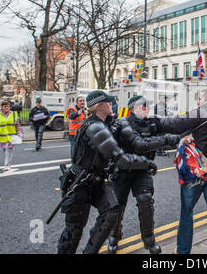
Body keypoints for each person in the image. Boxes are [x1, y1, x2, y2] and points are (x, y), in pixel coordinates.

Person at [57, 90, 155, 254]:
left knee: (111, 210)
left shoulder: (106, 123)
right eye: (108, 102)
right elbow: (119, 157)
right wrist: (147, 163)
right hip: (80, 182)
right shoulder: (94, 126)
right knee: (74, 229)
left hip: (96, 179)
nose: (112, 104)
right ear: (99, 105)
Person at [160, 88, 207, 254]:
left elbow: (173, 124)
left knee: (187, 213)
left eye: (200, 99)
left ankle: (182, 251)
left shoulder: (201, 113)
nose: (198, 102)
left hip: (196, 173)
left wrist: (151, 118)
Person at [107, 95, 180, 254]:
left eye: (148, 105)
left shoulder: (152, 123)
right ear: (133, 108)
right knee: (117, 204)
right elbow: (139, 145)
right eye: (143, 105)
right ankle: (114, 235)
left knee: (145, 201)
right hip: (123, 171)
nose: (147, 108)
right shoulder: (124, 123)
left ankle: (148, 239)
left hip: (142, 171)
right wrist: (166, 139)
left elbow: (175, 125)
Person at [0, 100, 23, 171]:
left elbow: (18, 125)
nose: (6, 108)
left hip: (11, 137)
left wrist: (20, 132)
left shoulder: (14, 114)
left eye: (8, 106)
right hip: (2, 137)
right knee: (5, 150)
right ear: (1, 107)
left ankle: (7, 165)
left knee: (8, 150)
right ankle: (8, 163)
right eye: (5, 106)